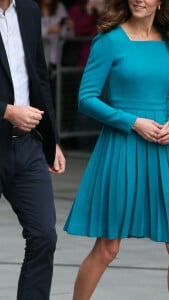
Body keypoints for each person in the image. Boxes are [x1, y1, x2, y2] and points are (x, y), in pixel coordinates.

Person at [63, 0, 169, 299]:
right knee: (108, 247)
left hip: (163, 149)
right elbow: (86, 98)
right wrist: (133, 122)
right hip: (122, 146)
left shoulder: (168, 42)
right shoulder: (109, 40)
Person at [0, 0, 66, 299]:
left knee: (43, 236)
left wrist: (52, 140)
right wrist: (6, 111)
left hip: (26, 146)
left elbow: (39, 75)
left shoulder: (27, 10)